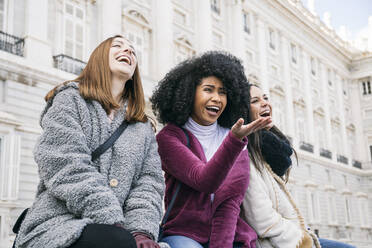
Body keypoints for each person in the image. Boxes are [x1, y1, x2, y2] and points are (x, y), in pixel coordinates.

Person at [14, 35, 166, 248]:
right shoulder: (70, 100)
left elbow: (148, 185)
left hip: (120, 232)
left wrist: (141, 232)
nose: (129, 51)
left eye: (133, 50)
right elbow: (65, 165)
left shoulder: (142, 128)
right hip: (58, 224)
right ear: (100, 58)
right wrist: (112, 220)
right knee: (115, 241)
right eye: (118, 46)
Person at [151, 51, 272, 248]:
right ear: (189, 92)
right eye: (209, 89)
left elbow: (230, 202)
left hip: (231, 236)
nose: (217, 98)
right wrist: (234, 141)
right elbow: (204, 180)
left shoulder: (234, 136)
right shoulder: (168, 137)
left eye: (222, 92)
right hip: (184, 234)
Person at [240, 83, 356, 248]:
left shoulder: (270, 153)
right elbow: (262, 219)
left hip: (292, 236)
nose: (265, 103)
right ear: (244, 111)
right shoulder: (247, 155)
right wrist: (304, 241)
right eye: (255, 101)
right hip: (275, 242)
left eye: (265, 98)